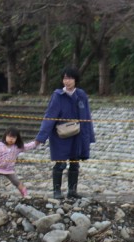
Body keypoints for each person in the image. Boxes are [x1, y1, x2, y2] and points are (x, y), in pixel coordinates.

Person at [35, 67, 94, 200]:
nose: (67, 81)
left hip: (77, 135)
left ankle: (72, 191)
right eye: (65, 78)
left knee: (74, 163)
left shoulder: (81, 95)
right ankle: (57, 191)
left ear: (75, 80)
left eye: (70, 78)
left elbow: (87, 116)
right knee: (60, 163)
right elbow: (49, 116)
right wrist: (41, 137)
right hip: (60, 135)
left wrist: (89, 136)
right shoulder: (57, 96)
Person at [0, 128, 39, 197]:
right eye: (9, 137)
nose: (11, 139)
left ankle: (25, 194)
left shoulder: (17, 147)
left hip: (9, 169)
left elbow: (27, 146)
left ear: (17, 139)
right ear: (5, 136)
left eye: (13, 137)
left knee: (16, 182)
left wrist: (36, 142)